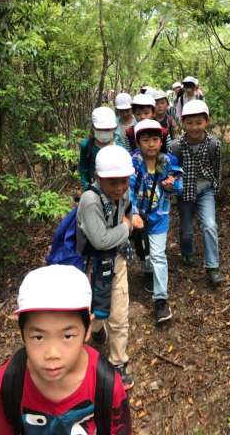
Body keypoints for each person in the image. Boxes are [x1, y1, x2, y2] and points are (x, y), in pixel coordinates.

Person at [0, 265, 132, 434]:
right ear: (22, 332)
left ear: (87, 329)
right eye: (38, 337)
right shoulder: (8, 384)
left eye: (67, 336)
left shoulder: (107, 385)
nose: (52, 354)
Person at [76, 145, 135, 390]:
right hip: (92, 265)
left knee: (119, 312)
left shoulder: (125, 193)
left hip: (116, 259)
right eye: (113, 182)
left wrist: (125, 225)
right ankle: (97, 327)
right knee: (94, 304)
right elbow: (100, 240)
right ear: (99, 178)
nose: (120, 187)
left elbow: (126, 214)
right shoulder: (90, 200)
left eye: (124, 180)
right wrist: (126, 227)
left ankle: (118, 361)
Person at [130, 120, 183, 324]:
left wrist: (171, 185)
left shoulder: (167, 161)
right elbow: (127, 189)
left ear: (161, 142)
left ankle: (161, 301)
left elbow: (178, 187)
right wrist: (134, 213)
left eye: (155, 139)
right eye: (145, 140)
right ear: (138, 142)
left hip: (160, 215)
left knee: (159, 255)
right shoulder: (133, 162)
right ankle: (146, 270)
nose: (151, 144)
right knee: (143, 249)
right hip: (139, 216)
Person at [170, 99, 223, 288]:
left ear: (206, 122)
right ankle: (187, 253)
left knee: (209, 225)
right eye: (190, 123)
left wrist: (216, 188)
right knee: (186, 228)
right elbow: (172, 170)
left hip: (205, 190)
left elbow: (217, 168)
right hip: (185, 191)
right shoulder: (176, 146)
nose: (194, 127)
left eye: (199, 122)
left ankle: (212, 267)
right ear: (183, 123)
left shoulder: (214, 144)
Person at [79, 107, 117, 190]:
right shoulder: (86, 145)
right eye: (100, 129)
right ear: (93, 127)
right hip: (93, 188)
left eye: (107, 129)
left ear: (114, 128)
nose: (103, 132)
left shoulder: (118, 147)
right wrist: (85, 185)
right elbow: (83, 167)